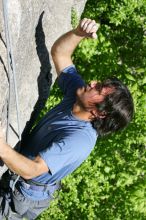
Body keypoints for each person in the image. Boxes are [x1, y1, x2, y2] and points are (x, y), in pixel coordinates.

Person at [0, 18, 134, 219]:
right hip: (20, 173)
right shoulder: (77, 94)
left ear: (100, 113)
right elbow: (60, 54)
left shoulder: (79, 140)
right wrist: (79, 33)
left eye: (99, 89)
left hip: (21, 195)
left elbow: (32, 170)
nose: (93, 82)